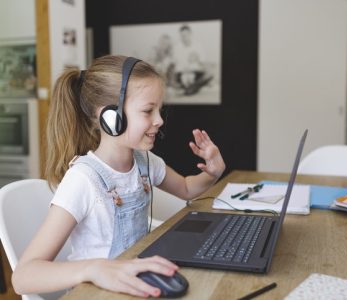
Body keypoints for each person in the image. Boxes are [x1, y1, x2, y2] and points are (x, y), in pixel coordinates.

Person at [12, 55, 225, 298]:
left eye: (159, 109)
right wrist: (94, 269)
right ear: (110, 117)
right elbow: (22, 277)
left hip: (135, 285)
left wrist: (212, 173)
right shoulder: (83, 180)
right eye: (148, 110)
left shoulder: (144, 162)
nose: (160, 120)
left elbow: (187, 189)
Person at [173, 24, 213, 96]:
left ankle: (189, 88)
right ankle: (192, 87)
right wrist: (185, 71)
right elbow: (177, 65)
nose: (184, 37)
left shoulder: (198, 45)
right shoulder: (177, 47)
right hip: (182, 72)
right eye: (182, 35)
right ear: (180, 36)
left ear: (190, 34)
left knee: (209, 75)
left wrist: (196, 67)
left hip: (195, 71)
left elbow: (202, 61)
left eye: (186, 35)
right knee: (177, 76)